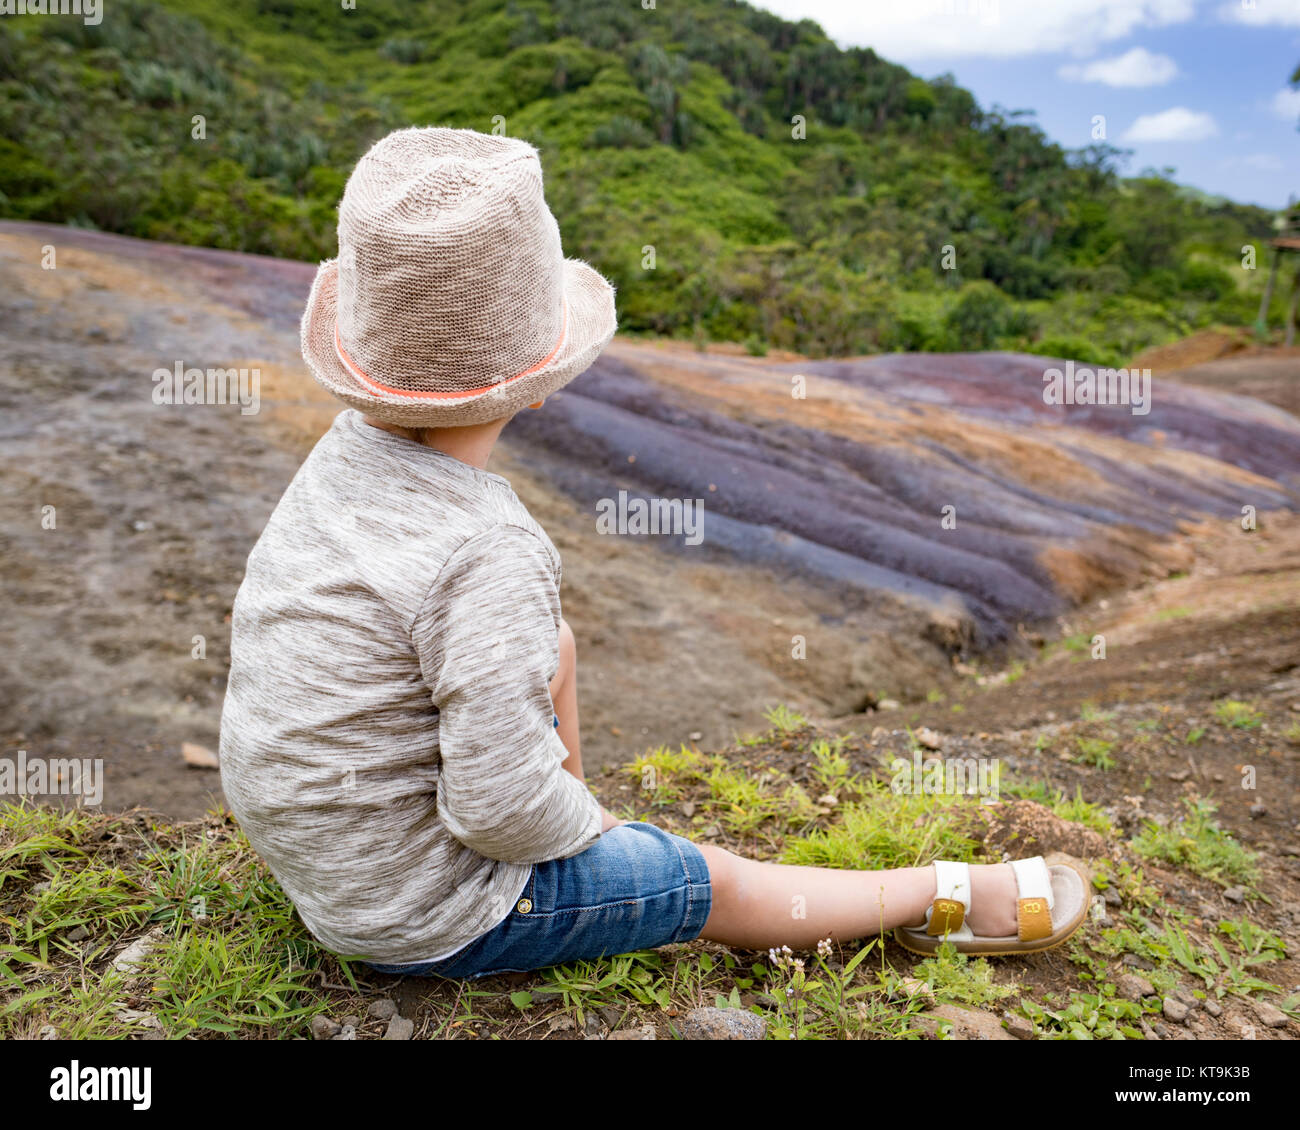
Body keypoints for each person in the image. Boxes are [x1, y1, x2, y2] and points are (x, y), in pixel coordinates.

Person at [218, 127, 1087, 981]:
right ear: (539, 381)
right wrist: (574, 829)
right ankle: (944, 895)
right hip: (425, 915)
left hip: (326, 860)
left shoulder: (340, 455)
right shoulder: (488, 546)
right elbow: (492, 811)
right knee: (707, 880)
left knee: (550, 646)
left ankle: (578, 840)